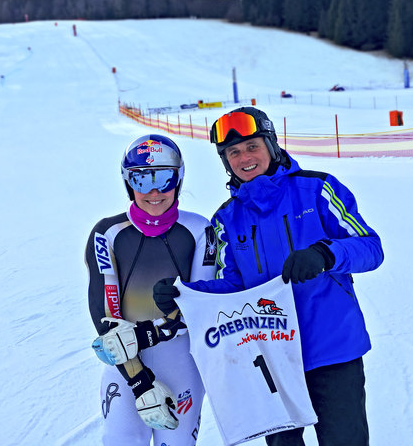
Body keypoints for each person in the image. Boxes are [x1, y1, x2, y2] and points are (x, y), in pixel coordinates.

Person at [154, 107, 384, 446]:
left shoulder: (317, 189)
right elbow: (232, 285)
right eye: (233, 152)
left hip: (333, 351)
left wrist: (325, 254)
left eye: (252, 146)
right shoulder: (226, 219)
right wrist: (186, 295)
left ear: (272, 145)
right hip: (270, 358)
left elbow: (371, 248)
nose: (244, 157)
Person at [86, 134, 217, 446]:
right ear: (128, 183)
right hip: (126, 365)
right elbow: (109, 322)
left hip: (183, 362)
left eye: (164, 178)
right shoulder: (108, 233)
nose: (154, 191)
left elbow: (201, 306)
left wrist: (148, 334)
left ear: (179, 179)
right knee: (121, 440)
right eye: (142, 180)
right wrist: (140, 381)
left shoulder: (201, 231)